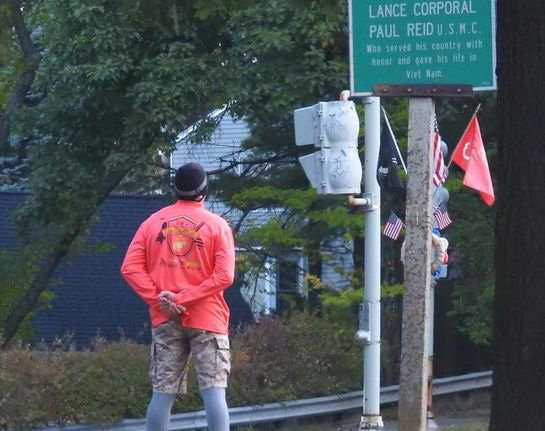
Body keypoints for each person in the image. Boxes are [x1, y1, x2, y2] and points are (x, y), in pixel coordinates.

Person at [121, 162, 235, 431]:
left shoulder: (152, 223)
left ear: (175, 189)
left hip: (164, 316)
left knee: (163, 392)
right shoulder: (217, 226)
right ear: (205, 189)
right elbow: (224, 276)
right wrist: (184, 299)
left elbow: (130, 268)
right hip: (208, 317)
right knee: (214, 390)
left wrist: (161, 299)